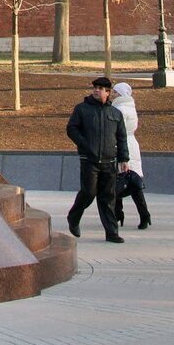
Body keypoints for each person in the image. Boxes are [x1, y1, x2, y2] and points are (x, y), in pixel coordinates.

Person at [66, 76, 129, 243]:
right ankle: (73, 217)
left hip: (109, 162)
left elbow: (122, 137)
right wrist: (83, 143)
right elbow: (71, 128)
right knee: (88, 193)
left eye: (100, 89)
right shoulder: (82, 109)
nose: (96, 90)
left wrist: (124, 159)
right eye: (95, 87)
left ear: (107, 93)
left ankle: (111, 233)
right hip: (89, 160)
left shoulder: (115, 114)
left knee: (108, 197)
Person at [111, 81, 151, 229]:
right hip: (132, 144)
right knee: (133, 183)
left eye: (115, 92)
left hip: (121, 146)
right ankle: (144, 215)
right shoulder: (130, 107)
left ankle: (117, 214)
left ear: (121, 94)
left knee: (118, 182)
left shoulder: (119, 109)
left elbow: (115, 130)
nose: (112, 95)